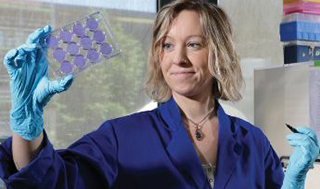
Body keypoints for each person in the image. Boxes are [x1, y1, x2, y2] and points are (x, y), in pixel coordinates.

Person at [0, 0, 319, 188]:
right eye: (167, 45)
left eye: (193, 44)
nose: (177, 58)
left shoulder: (253, 142)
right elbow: (51, 181)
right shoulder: (122, 136)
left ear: (218, 53)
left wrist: (294, 182)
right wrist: (26, 125)